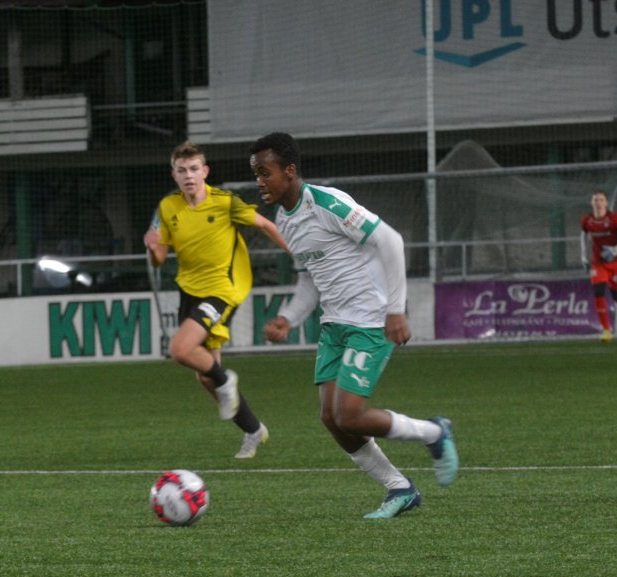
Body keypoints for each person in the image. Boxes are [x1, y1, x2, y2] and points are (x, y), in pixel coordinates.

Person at [251, 132, 458, 519]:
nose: (259, 182)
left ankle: (435, 433)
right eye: (256, 174)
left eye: (265, 172)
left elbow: (391, 241)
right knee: (331, 419)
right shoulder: (285, 220)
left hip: (371, 321)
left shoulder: (327, 203)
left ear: (289, 171)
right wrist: (288, 318)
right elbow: (310, 280)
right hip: (334, 326)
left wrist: (395, 310)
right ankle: (399, 487)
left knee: (349, 414)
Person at [144, 141, 290, 459]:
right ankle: (253, 430)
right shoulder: (168, 207)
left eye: (194, 169)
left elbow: (266, 225)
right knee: (205, 376)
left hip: (222, 289)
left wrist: (298, 255)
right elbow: (159, 258)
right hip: (189, 291)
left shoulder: (225, 202)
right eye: (182, 170)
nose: (188, 175)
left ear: (205, 171)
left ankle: (227, 381)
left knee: (180, 350)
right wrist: (153, 248)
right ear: (174, 175)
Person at [580, 190, 617, 342]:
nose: (598, 203)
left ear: (606, 203)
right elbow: (583, 236)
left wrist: (615, 250)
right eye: (595, 200)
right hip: (598, 262)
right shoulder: (587, 220)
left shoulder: (615, 219)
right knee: (598, 291)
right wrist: (584, 257)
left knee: (616, 294)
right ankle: (606, 331)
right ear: (591, 203)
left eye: (601, 200)